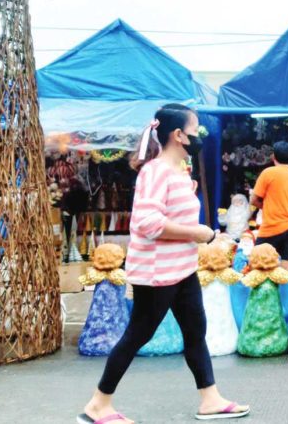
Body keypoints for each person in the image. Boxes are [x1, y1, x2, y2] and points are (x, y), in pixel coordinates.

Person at [78, 104, 249, 424]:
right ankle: (98, 405)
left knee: (196, 331)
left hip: (181, 269)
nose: (200, 136)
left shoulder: (178, 172)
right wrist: (198, 233)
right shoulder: (155, 172)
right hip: (157, 273)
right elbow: (147, 223)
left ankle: (210, 399)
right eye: (196, 130)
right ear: (178, 135)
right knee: (137, 335)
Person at [250, 141, 288, 272]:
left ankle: (260, 292)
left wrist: (265, 207)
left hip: (271, 227)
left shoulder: (268, 173)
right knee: (285, 264)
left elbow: (253, 200)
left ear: (273, 156)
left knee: (256, 263)